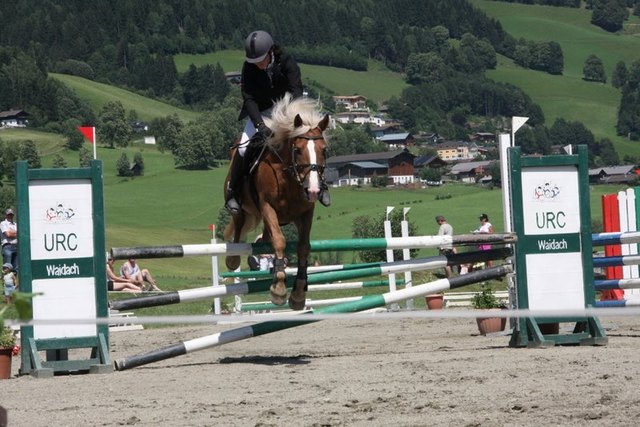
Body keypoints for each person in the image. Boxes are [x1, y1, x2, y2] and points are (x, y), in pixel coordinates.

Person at [224, 30, 330, 214]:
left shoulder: (287, 63)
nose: (257, 64)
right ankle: (233, 192)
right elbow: (249, 99)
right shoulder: (249, 67)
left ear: (271, 51)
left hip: (288, 111)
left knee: (312, 144)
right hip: (261, 113)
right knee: (242, 147)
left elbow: (296, 91)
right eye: (254, 61)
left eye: (260, 59)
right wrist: (260, 125)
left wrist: (294, 120)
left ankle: (322, 186)